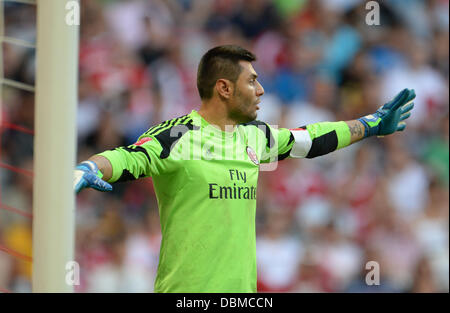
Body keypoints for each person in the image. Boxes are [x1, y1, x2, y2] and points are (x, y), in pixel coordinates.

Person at [74, 45, 415, 293]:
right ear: (224, 88)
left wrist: (369, 125)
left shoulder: (257, 136)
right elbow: (129, 157)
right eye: (252, 81)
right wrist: (91, 166)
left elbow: (311, 139)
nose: (261, 90)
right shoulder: (179, 134)